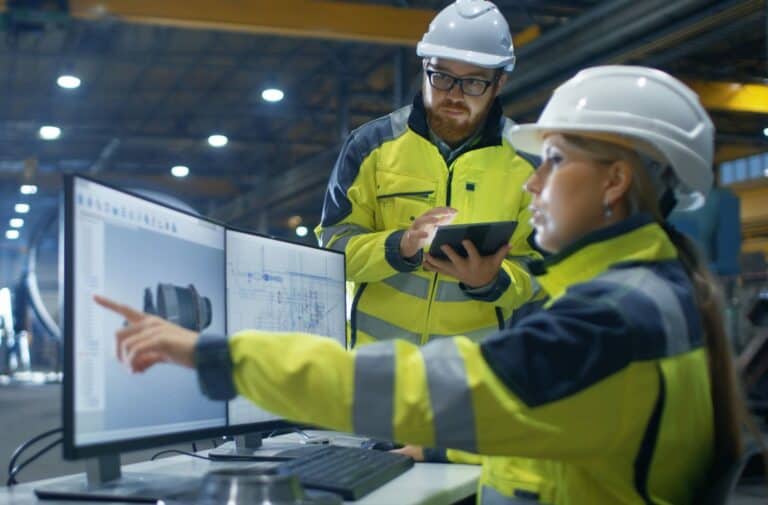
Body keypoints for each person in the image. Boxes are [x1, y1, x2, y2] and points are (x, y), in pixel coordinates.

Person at [96, 65, 752, 504]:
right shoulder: (651, 290)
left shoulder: (613, 318)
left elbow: (419, 386)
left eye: (552, 160)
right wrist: (441, 441)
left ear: (614, 181)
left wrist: (217, 353)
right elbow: (558, 414)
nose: (531, 182)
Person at [314, 0, 542, 349]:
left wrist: (492, 280)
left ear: (499, 83)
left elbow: (542, 270)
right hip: (374, 363)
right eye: (442, 76)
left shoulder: (528, 163)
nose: (453, 94)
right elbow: (331, 248)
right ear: (425, 68)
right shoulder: (371, 146)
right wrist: (399, 246)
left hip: (470, 374)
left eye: (473, 83)